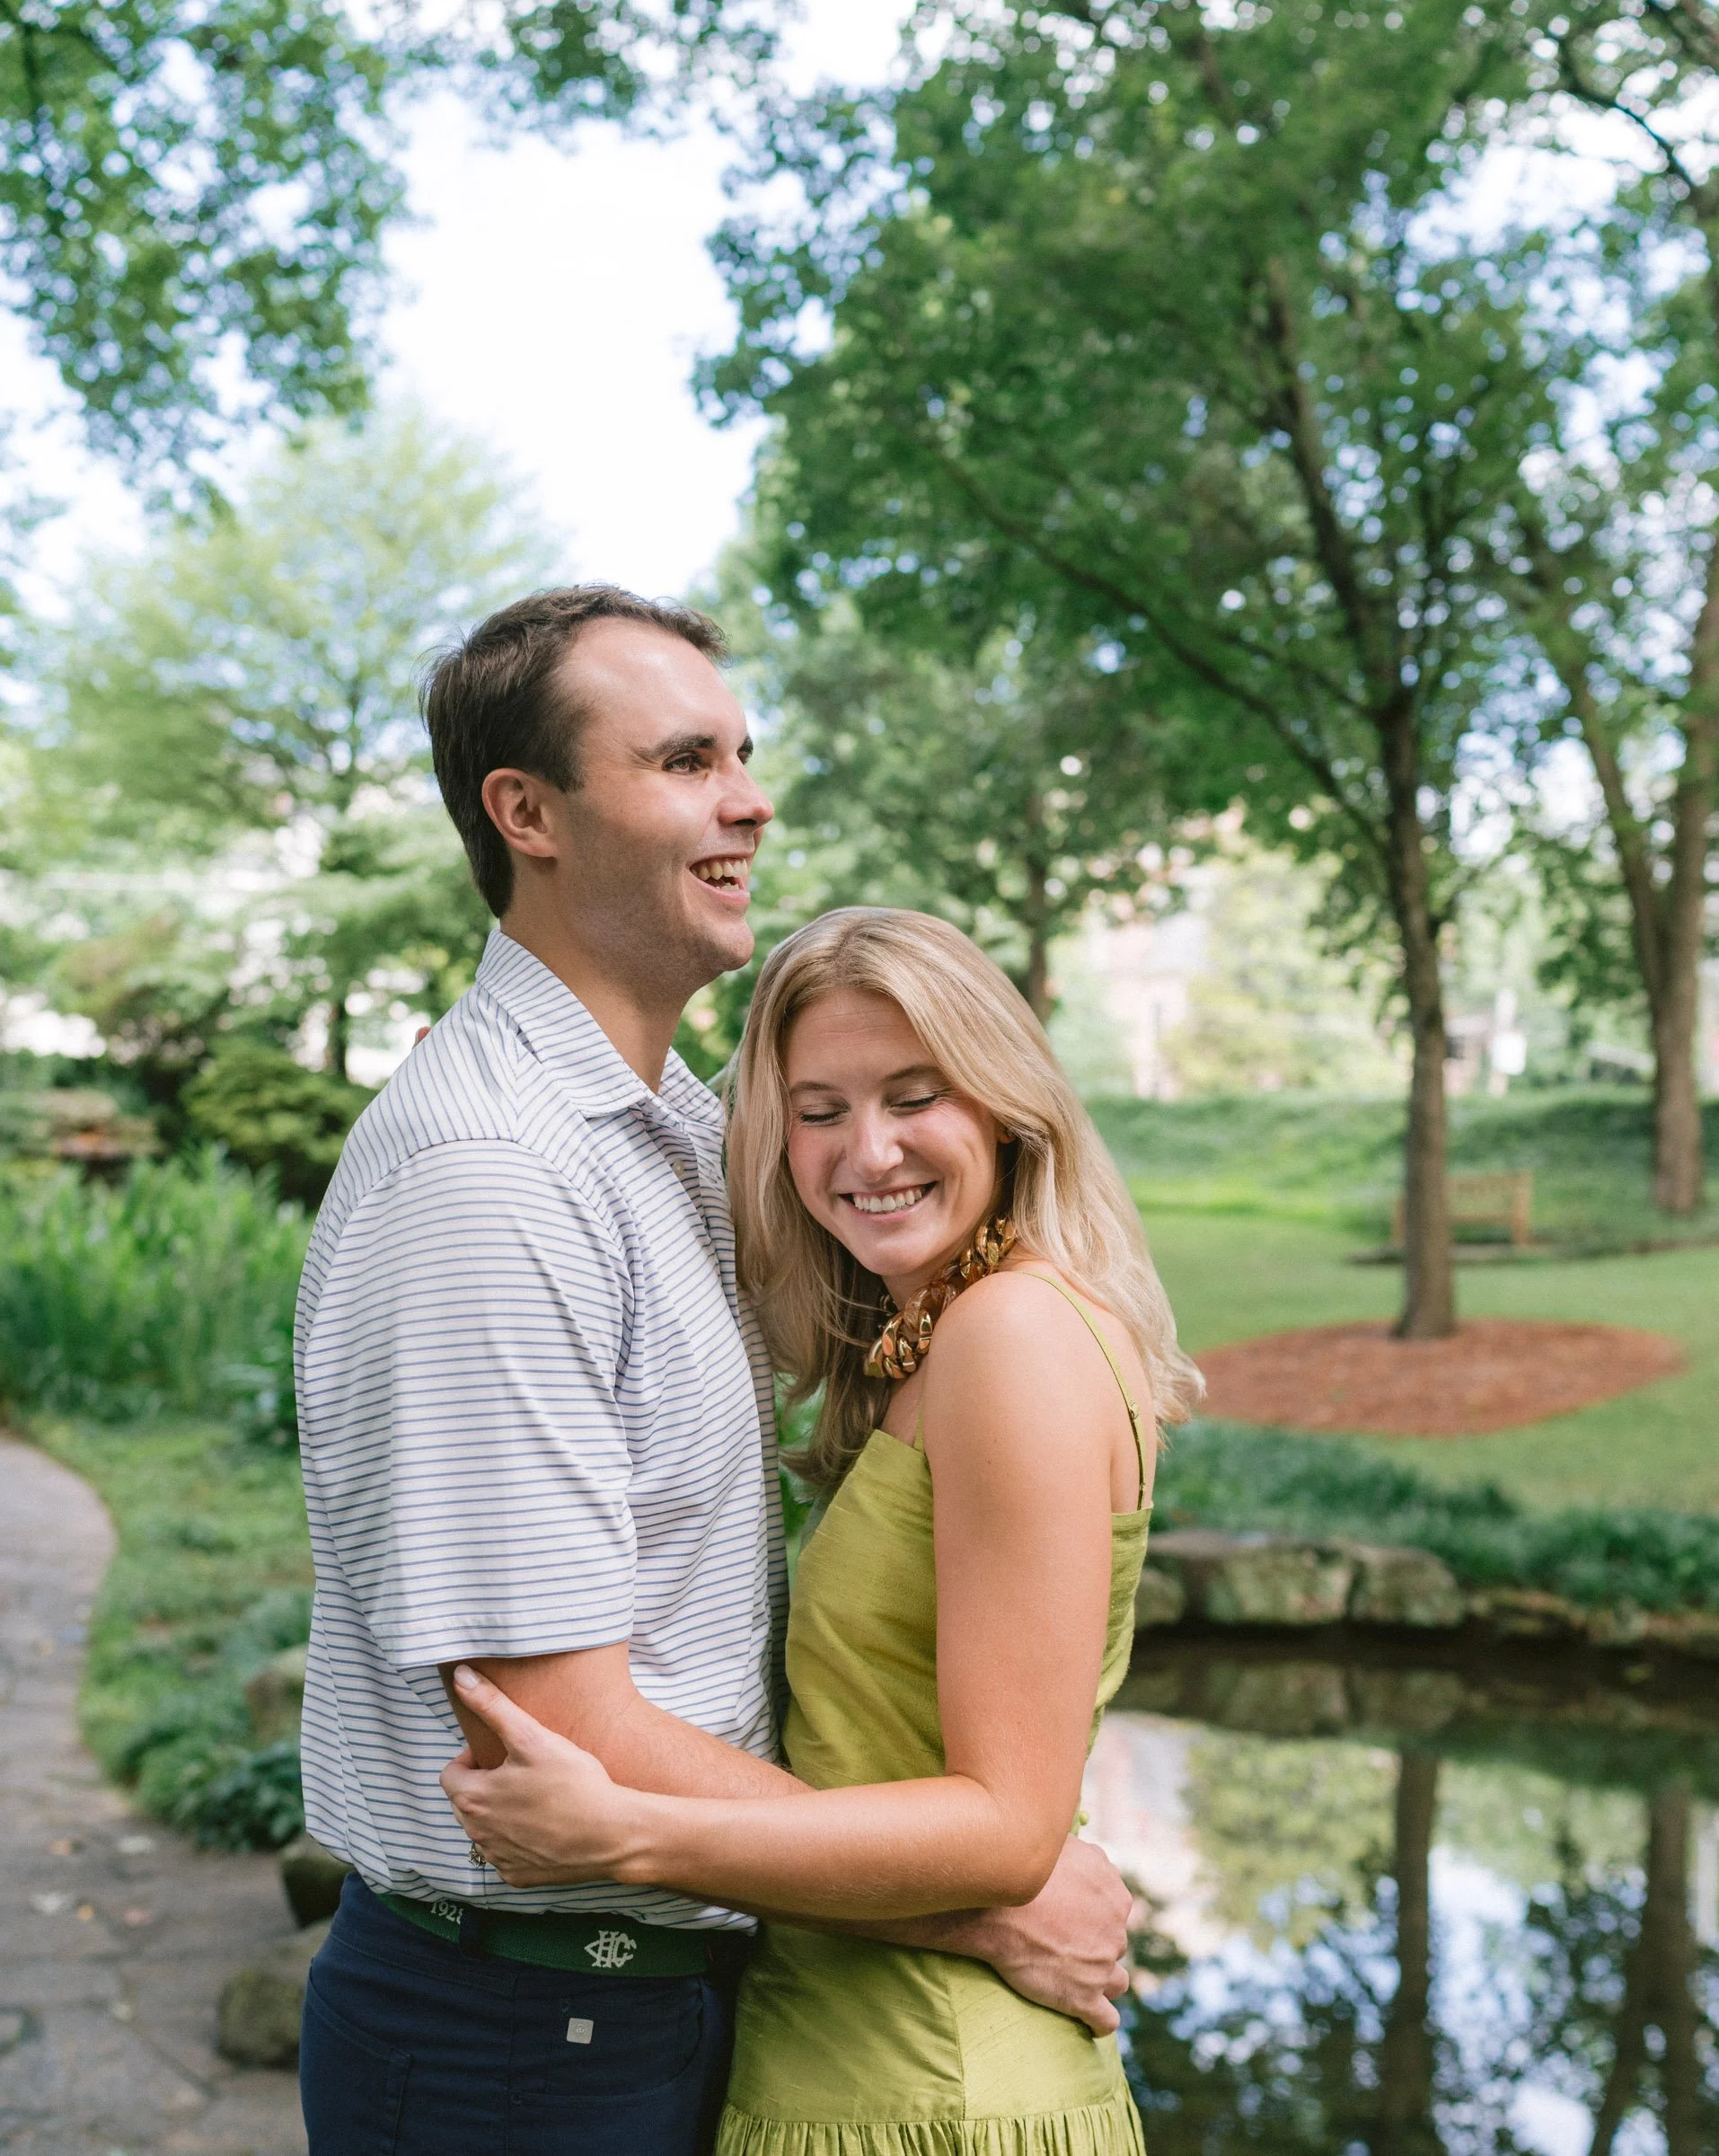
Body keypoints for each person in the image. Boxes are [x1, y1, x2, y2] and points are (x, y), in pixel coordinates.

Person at [294, 588, 1138, 2156]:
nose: (750, 798)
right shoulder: (495, 1173)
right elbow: (554, 1727)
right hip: (519, 2042)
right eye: (686, 758)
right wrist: (971, 1905)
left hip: (665, 1997)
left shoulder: (676, 1133)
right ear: (525, 812)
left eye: (743, 754)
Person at [444, 904, 1203, 2156]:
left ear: (1006, 1105)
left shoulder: (1011, 1337)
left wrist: (626, 1835)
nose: (869, 1149)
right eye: (819, 1109)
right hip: (868, 2052)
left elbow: (1008, 1828)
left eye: (916, 1094)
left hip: (930, 2082)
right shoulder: (945, 1337)